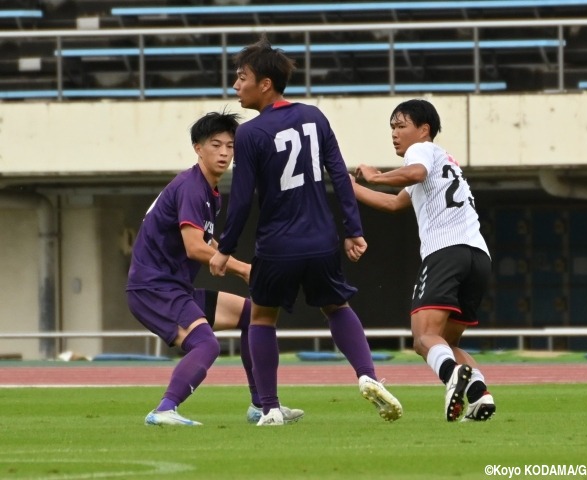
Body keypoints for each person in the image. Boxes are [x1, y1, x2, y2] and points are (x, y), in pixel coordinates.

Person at [209, 35, 403, 426]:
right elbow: (340, 175)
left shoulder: (249, 134)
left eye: (241, 77)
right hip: (321, 240)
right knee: (337, 307)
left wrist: (224, 249)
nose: (235, 86)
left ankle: (270, 408)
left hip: (278, 245)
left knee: (262, 319)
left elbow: (243, 200)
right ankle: (368, 375)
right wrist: (353, 229)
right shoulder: (315, 116)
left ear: (265, 84)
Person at [126, 110, 303, 426]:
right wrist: (244, 269)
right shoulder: (193, 187)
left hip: (175, 287)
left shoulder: (209, 192)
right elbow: (196, 248)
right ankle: (164, 410)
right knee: (206, 344)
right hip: (154, 288)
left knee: (252, 315)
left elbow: (204, 246)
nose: (224, 153)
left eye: (230, 146)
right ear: (197, 148)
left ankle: (262, 406)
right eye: (215, 145)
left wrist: (226, 260)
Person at [352, 99, 496, 422]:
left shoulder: (421, 151)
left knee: (422, 337)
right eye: (392, 127)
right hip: (478, 257)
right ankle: (480, 394)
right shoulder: (446, 163)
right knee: (444, 341)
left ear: (424, 130)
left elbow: (414, 173)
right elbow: (394, 204)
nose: (394, 133)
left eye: (401, 125)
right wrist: (354, 189)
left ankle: (450, 377)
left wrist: (375, 176)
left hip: (446, 252)